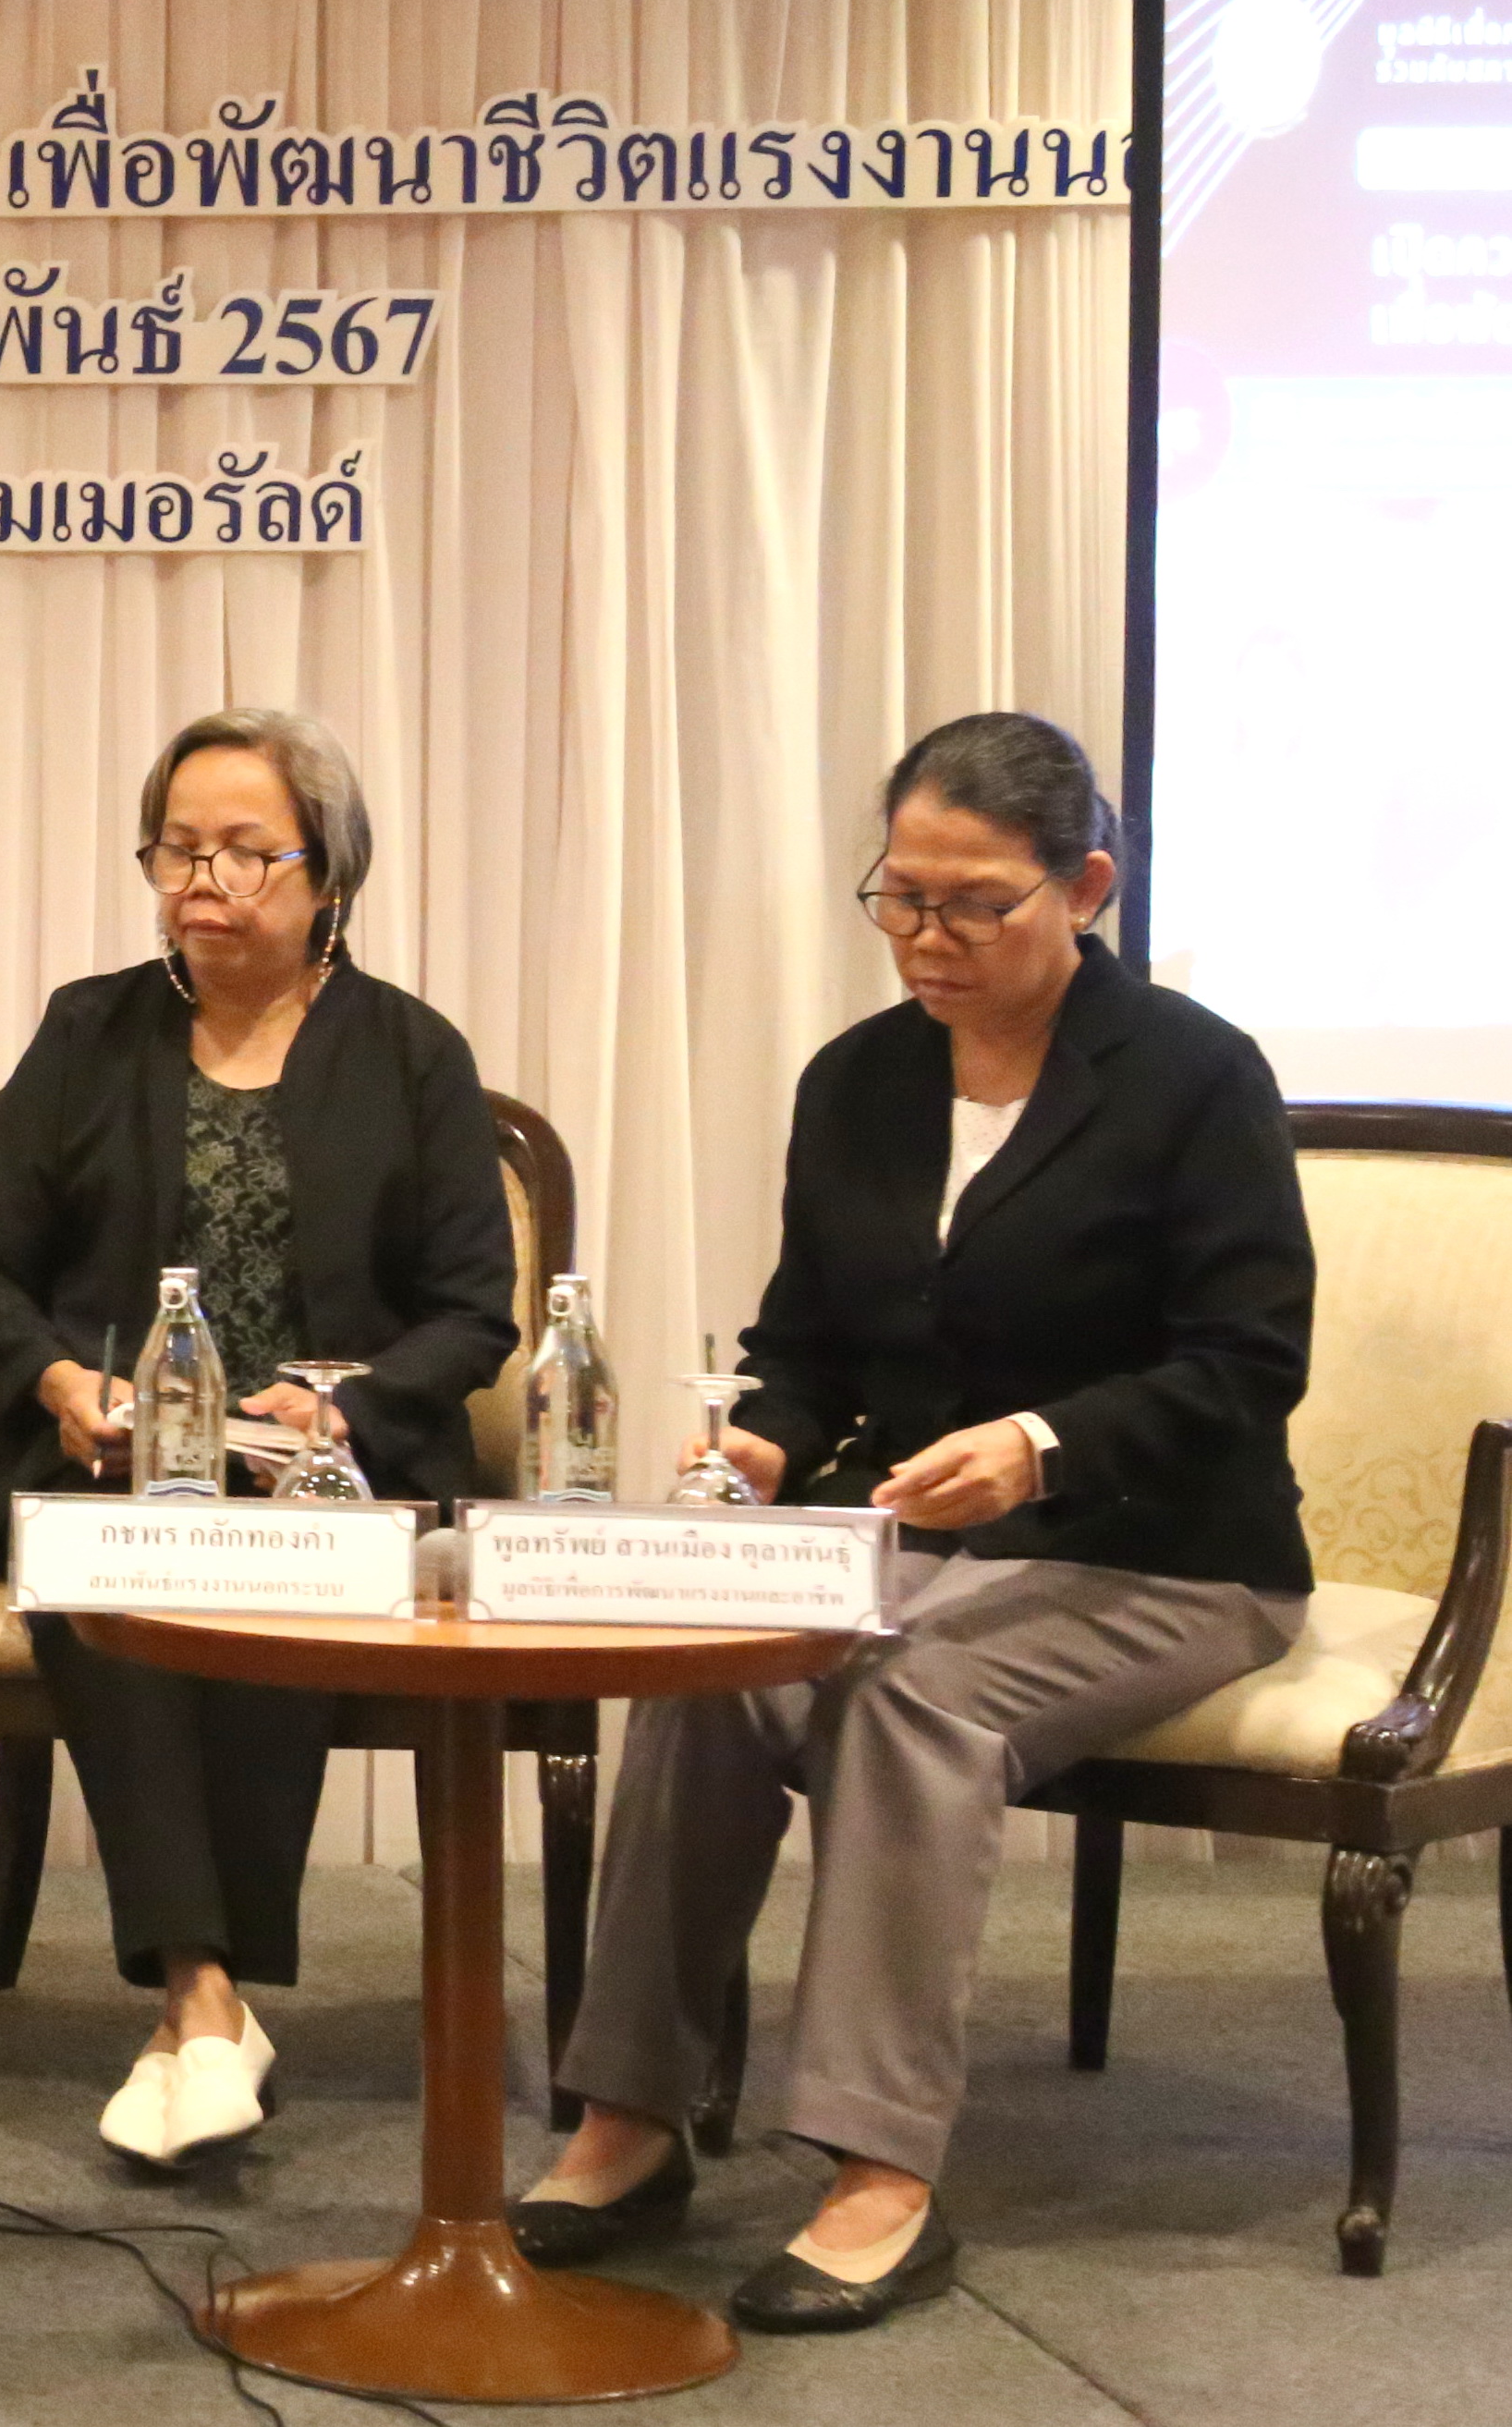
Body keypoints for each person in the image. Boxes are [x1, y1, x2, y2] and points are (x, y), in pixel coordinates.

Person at [520, 712, 1312, 2333]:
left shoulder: (1192, 1076)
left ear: (1082, 888)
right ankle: (629, 2115)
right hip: (916, 1543)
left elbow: (1246, 1364)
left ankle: (876, 2172)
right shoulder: (861, 1079)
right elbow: (807, 1338)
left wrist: (1039, 1446)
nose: (925, 939)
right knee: (708, 1663)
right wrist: (757, 1440)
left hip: (1165, 1556)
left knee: (910, 1696)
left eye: (972, 905)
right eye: (898, 897)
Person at [0, 708, 517, 2170]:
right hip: (109, 1460)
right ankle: (205, 1998)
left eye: (244, 852)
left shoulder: (409, 1055)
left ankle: (197, 2013)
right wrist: (60, 1384)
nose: (202, 880)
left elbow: (473, 1312)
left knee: (283, 1560)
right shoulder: (86, 1032)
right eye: (177, 849)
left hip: (327, 1470)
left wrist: (341, 1409)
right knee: (109, 1572)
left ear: (327, 874)